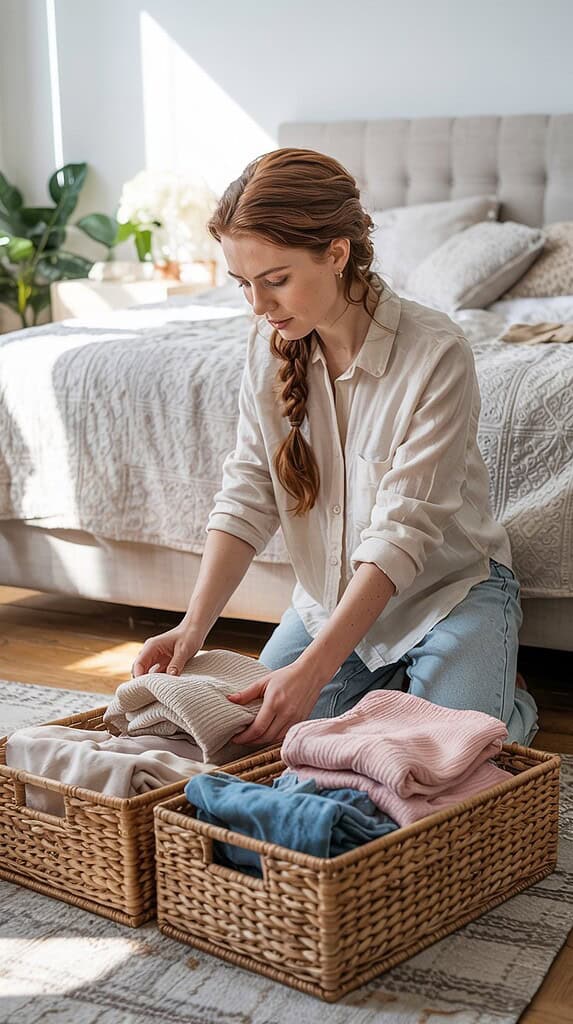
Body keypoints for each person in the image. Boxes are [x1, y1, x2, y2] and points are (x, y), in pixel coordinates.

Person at [132, 148, 538, 750]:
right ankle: (410, 684)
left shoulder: (437, 353)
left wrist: (315, 673)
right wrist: (193, 627)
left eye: (276, 281)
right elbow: (248, 492)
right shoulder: (268, 347)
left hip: (447, 596)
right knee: (256, 739)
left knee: (445, 754)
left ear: (337, 253)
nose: (259, 307)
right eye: (244, 284)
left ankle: (507, 697)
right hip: (332, 603)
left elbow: (403, 533)